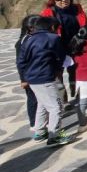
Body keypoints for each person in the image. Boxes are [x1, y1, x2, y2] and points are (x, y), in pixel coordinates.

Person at [16, 16, 71, 146]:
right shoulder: (53, 38)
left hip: (32, 78)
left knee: (42, 104)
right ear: (52, 27)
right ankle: (54, 135)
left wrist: (24, 77)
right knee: (56, 107)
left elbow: (20, 61)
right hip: (46, 77)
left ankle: (40, 131)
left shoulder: (28, 39)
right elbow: (60, 56)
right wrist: (58, 69)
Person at [40, 0, 87, 106]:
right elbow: (43, 30)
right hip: (58, 48)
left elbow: (85, 24)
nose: (63, 0)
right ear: (53, 1)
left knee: (77, 71)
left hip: (76, 45)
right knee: (58, 73)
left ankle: (77, 94)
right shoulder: (49, 12)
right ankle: (64, 100)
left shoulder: (77, 9)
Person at [15, 15, 41, 130]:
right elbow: (20, 63)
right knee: (33, 99)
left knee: (39, 99)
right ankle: (34, 122)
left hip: (39, 73)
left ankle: (40, 120)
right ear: (31, 27)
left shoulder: (36, 38)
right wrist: (23, 79)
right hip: (30, 76)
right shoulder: (23, 42)